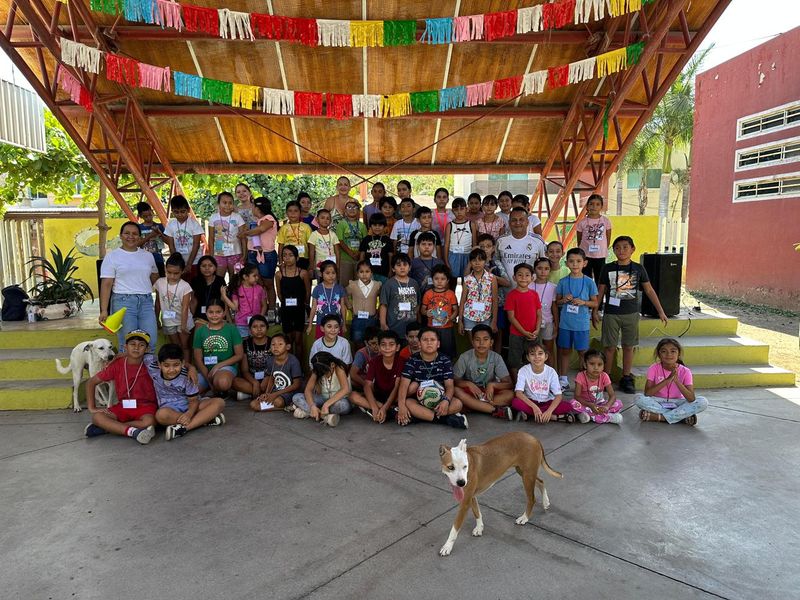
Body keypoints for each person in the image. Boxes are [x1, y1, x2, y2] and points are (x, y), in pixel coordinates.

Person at [594, 235, 669, 394]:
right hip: (611, 313)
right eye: (617, 248)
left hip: (631, 314)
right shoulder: (607, 268)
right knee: (609, 347)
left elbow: (649, 290)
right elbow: (600, 291)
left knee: (629, 347)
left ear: (632, 249)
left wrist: (660, 311)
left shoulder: (638, 268)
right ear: (613, 250)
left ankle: (626, 377)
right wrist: (595, 310)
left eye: (625, 247)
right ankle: (605, 378)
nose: (621, 250)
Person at [83, 330, 156, 444]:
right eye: (132, 344)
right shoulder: (117, 364)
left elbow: (170, 362)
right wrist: (92, 407)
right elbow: (91, 382)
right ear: (125, 347)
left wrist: (190, 368)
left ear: (147, 349)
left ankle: (109, 428)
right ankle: (133, 432)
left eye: (141, 345)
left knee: (149, 422)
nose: (136, 348)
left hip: (146, 407)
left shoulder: (152, 363)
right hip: (123, 406)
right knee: (97, 417)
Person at [99, 221, 159, 348]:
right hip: (123, 302)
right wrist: (104, 310)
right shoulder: (112, 257)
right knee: (128, 344)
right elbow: (106, 284)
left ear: (139, 236)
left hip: (146, 302)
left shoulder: (148, 256)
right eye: (127, 233)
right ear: (121, 236)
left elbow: (155, 277)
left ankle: (148, 363)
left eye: (135, 234)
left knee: (150, 342)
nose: (131, 236)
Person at [395, 328, 467, 429]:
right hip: (419, 400)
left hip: (439, 399)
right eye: (425, 340)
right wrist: (401, 406)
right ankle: (444, 419)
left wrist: (446, 401)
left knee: (458, 404)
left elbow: (449, 386)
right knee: (408, 402)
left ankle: (421, 416)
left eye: (432, 340)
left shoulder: (445, 360)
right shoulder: (412, 360)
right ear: (419, 344)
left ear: (438, 344)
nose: (429, 343)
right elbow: (404, 385)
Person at [152, 343, 226, 441]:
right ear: (159, 365)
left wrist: (189, 414)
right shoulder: (153, 369)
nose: (171, 370)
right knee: (161, 415)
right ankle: (205, 419)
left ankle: (184, 428)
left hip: (191, 406)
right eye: (166, 366)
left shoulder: (188, 376)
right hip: (170, 410)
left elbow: (193, 400)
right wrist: (191, 367)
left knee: (219, 402)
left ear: (182, 363)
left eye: (176, 365)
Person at [636, 338, 708, 425]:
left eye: (673, 351)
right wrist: (667, 380)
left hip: (678, 402)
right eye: (664, 351)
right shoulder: (654, 368)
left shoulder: (685, 371)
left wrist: (677, 381)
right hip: (658, 401)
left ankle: (660, 417)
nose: (668, 354)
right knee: (638, 398)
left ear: (679, 354)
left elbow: (691, 398)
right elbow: (647, 393)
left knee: (703, 402)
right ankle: (681, 417)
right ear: (659, 354)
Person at [556, 248, 598, 392]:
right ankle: (563, 380)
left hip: (582, 324)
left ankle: (584, 380)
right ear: (566, 263)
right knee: (565, 351)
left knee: (583, 353)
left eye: (578, 261)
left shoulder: (589, 282)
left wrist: (584, 302)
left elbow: (595, 303)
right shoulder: (563, 282)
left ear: (585, 263)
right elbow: (557, 302)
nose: (575, 264)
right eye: (571, 261)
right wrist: (563, 300)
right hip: (565, 323)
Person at [453, 325, 514, 419]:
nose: (481, 343)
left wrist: (492, 385)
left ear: (491, 342)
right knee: (456, 391)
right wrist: (468, 384)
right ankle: (494, 410)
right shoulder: (465, 357)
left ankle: (473, 406)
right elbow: (454, 380)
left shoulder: (496, 357)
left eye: (485, 339)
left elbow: (509, 384)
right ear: (472, 342)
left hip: (488, 393)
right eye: (477, 340)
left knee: (510, 395)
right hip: (471, 392)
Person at [512, 340, 575, 423]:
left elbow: (558, 395)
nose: (536, 357)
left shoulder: (551, 372)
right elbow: (518, 393)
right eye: (532, 354)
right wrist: (534, 407)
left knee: (569, 406)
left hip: (547, 402)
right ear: (528, 357)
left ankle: (533, 415)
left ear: (546, 357)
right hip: (531, 401)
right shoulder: (523, 370)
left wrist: (549, 411)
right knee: (515, 402)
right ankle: (554, 417)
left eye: (540, 353)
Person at [349, 330, 405, 423]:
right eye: (383, 345)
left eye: (391, 344)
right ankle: (390, 410)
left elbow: (396, 387)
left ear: (397, 347)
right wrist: (374, 407)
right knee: (353, 396)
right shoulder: (374, 361)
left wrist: (384, 408)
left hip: (396, 396)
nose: (387, 348)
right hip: (379, 396)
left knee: (409, 389)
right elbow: (367, 385)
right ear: (379, 347)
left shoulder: (401, 361)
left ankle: (385, 410)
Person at [192, 299, 243, 396]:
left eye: (218, 312)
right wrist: (208, 378)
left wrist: (218, 366)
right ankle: (211, 388)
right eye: (211, 312)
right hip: (205, 370)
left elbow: (239, 355)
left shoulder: (231, 328)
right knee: (191, 389)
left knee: (223, 382)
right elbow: (197, 358)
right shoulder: (200, 331)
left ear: (224, 313)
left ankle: (219, 388)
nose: (214, 315)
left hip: (226, 367)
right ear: (206, 313)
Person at [291, 351, 351, 427]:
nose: (325, 375)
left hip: (337, 401)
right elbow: (308, 390)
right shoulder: (317, 370)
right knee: (296, 397)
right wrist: (312, 406)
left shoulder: (339, 368)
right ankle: (323, 415)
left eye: (326, 372)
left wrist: (326, 405)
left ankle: (309, 412)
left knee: (342, 405)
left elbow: (345, 389)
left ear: (332, 365)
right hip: (323, 399)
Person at [153, 253, 194, 362]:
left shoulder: (185, 286)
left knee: (185, 346)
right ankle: (178, 367)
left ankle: (186, 367)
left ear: (182, 271)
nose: (172, 276)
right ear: (165, 269)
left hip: (183, 321)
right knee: (175, 346)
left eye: (176, 273)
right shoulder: (159, 283)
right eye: (169, 272)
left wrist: (184, 326)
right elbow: (157, 303)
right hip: (168, 320)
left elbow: (185, 307)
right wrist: (157, 319)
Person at [249, 333, 304, 412]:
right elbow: (271, 378)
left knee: (278, 402)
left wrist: (275, 395)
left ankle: (288, 406)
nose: (276, 347)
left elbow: (296, 384)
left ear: (288, 347)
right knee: (253, 404)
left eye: (280, 344)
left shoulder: (293, 361)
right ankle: (289, 407)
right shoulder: (270, 360)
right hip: (276, 390)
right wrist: (267, 394)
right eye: (273, 344)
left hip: (290, 392)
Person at [505, 263, 542, 377]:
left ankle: (531, 382)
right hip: (516, 335)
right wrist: (524, 332)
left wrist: (537, 330)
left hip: (533, 334)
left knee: (533, 359)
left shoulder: (534, 294)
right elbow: (511, 317)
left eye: (527, 275)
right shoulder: (511, 295)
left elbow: (539, 314)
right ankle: (516, 383)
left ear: (532, 278)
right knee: (514, 361)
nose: (523, 278)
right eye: (520, 275)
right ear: (514, 277)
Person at [244, 197, 279, 318]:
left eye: (253, 206)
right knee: (257, 283)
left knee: (268, 283)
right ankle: (259, 309)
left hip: (266, 254)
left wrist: (245, 233)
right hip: (253, 253)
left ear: (257, 208)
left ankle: (271, 310)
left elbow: (261, 229)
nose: (252, 209)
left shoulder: (269, 219)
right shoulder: (256, 221)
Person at [477, 234, 512, 353]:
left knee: (497, 333)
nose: (485, 249)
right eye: (482, 246)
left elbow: (507, 283)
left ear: (493, 248)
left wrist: (491, 276)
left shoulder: (497, 263)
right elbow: (466, 278)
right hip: (480, 305)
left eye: (488, 246)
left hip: (498, 303)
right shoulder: (475, 263)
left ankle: (496, 358)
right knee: (482, 333)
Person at [275, 245, 310, 360]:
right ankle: (289, 365)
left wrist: (304, 305)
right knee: (288, 340)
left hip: (299, 309)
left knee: (299, 340)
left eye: (290, 255)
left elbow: (307, 293)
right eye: (284, 255)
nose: (287, 258)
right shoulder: (279, 274)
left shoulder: (303, 273)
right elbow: (279, 294)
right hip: (286, 310)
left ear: (297, 258)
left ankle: (298, 366)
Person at [496, 207, 548, 284]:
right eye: (514, 220)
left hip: (531, 289)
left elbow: (544, 264)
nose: (517, 223)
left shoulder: (538, 241)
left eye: (521, 220)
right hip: (506, 289)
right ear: (509, 222)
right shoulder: (500, 241)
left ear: (527, 222)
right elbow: (496, 261)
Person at [570, 349, 622, 424]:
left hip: (600, 404)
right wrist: (590, 405)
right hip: (585, 404)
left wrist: (606, 406)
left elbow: (612, 395)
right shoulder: (580, 376)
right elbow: (577, 396)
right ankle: (608, 417)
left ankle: (589, 415)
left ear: (603, 366)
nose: (596, 367)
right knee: (572, 403)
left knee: (618, 403)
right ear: (585, 365)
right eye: (592, 364)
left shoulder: (604, 376)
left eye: (599, 364)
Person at [421, 264, 459, 358]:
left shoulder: (451, 294)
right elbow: (422, 309)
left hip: (447, 328)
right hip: (431, 328)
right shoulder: (428, 294)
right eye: (436, 278)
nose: (439, 281)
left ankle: (447, 366)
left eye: (443, 279)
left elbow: (456, 310)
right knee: (432, 351)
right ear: (432, 279)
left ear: (447, 280)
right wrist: (426, 313)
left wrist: (449, 319)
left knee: (447, 352)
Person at [163, 195, 204, 281]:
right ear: (172, 211)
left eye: (183, 211)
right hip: (179, 263)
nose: (180, 214)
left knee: (194, 283)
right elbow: (171, 245)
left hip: (194, 261)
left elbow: (196, 246)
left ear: (188, 210)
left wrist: (189, 264)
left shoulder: (194, 224)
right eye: (176, 212)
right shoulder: (171, 224)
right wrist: (176, 263)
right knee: (179, 284)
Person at [379, 253, 420, 338]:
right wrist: (383, 323)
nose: (402, 267)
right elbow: (383, 305)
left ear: (409, 268)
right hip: (394, 327)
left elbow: (418, 304)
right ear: (393, 269)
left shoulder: (414, 283)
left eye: (405, 265)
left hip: (412, 330)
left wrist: (419, 321)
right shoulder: (388, 284)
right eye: (398, 265)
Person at [208, 191, 247, 281]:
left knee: (235, 279)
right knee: (218, 279)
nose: (227, 205)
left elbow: (243, 238)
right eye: (224, 203)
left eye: (230, 203)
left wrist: (244, 255)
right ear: (218, 204)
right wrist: (211, 255)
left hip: (235, 253)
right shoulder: (213, 217)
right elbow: (211, 238)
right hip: (218, 254)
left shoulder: (237, 217)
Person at [458, 248, 498, 335]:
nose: (477, 263)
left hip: (486, 316)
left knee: (486, 340)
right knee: (473, 341)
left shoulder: (491, 278)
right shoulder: (467, 279)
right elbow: (463, 300)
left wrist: (494, 320)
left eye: (480, 260)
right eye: (474, 260)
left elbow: (495, 300)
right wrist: (460, 320)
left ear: (485, 261)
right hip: (469, 316)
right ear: (470, 262)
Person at [221, 263, 266, 339]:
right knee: (243, 343)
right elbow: (235, 308)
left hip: (256, 323)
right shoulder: (237, 289)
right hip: (241, 324)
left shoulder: (259, 289)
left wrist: (260, 318)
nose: (257, 278)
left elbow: (264, 305)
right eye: (254, 276)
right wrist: (224, 296)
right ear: (245, 277)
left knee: (255, 342)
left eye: (257, 275)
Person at [232, 314, 272, 400]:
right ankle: (264, 393)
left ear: (267, 328)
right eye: (255, 327)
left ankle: (251, 394)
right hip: (251, 379)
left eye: (262, 326)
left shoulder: (273, 343)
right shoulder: (245, 343)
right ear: (250, 330)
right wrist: (255, 383)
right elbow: (245, 370)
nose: (259, 329)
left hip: (269, 378)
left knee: (278, 382)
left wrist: (268, 377)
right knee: (235, 382)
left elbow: (277, 368)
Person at [575, 194, 612, 284]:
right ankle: (587, 293)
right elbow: (579, 239)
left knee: (600, 279)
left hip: (600, 255)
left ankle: (598, 293)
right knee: (586, 278)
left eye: (597, 204)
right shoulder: (582, 222)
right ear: (587, 206)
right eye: (591, 204)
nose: (594, 206)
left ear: (601, 207)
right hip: (586, 255)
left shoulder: (606, 221)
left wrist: (603, 249)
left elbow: (608, 238)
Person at [345, 260, 381, 347]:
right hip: (357, 318)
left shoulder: (377, 285)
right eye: (361, 272)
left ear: (371, 273)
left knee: (372, 341)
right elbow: (344, 294)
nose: (364, 274)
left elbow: (382, 298)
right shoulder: (353, 285)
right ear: (357, 273)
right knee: (357, 340)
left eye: (367, 271)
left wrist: (378, 310)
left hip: (372, 319)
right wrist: (350, 307)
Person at [531, 257, 558, 370]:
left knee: (548, 349)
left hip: (548, 322)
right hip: (532, 323)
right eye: (540, 268)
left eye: (546, 269)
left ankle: (552, 374)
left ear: (550, 270)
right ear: (534, 269)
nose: (543, 271)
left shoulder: (553, 287)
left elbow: (554, 307)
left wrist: (556, 323)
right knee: (532, 350)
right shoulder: (529, 286)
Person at [308, 261, 347, 338]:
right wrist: (310, 325)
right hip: (321, 324)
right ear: (321, 274)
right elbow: (313, 307)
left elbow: (343, 307)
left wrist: (344, 324)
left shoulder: (340, 288)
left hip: (336, 325)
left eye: (333, 273)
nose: (331, 276)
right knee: (322, 343)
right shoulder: (317, 289)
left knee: (336, 344)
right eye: (327, 273)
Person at [444, 197, 476, 283]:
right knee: (453, 280)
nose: (459, 212)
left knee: (467, 280)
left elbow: (474, 244)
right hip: (453, 256)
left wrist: (473, 260)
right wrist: (446, 261)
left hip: (467, 256)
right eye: (456, 209)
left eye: (461, 209)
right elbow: (446, 244)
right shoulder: (450, 225)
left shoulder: (471, 224)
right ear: (452, 211)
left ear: (466, 209)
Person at [336, 199, 367, 288]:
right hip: (345, 259)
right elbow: (340, 241)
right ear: (345, 211)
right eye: (349, 207)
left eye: (355, 207)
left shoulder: (362, 226)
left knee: (359, 285)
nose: (352, 209)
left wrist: (358, 253)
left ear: (358, 211)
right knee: (345, 284)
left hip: (359, 259)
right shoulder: (341, 224)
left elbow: (364, 242)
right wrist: (350, 253)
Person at [190, 256, 227, 327]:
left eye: (210, 266)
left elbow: (224, 300)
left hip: (217, 314)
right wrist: (194, 317)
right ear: (199, 267)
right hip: (200, 316)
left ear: (215, 267)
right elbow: (193, 301)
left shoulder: (220, 280)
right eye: (203, 266)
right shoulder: (195, 281)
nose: (207, 268)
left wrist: (224, 315)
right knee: (199, 332)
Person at [276, 200, 313, 271]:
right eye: (290, 211)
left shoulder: (306, 227)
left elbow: (311, 246)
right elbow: (281, 246)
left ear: (300, 213)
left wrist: (311, 263)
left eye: (296, 211)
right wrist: (281, 262)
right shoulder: (283, 228)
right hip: (288, 259)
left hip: (303, 259)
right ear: (286, 213)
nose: (293, 213)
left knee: (303, 276)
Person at [359, 213, 393, 283]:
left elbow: (390, 256)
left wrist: (391, 270)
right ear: (370, 226)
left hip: (384, 272)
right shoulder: (366, 239)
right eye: (374, 225)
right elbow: (362, 256)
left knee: (383, 289)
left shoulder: (387, 240)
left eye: (380, 225)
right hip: (368, 273)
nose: (377, 227)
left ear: (384, 226)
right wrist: (360, 270)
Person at [307, 208, 341, 279]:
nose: (325, 220)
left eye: (328, 218)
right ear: (317, 220)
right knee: (321, 283)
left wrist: (337, 266)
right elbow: (311, 252)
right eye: (322, 218)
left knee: (332, 283)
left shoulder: (333, 234)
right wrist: (311, 267)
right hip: (319, 267)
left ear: (330, 221)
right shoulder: (314, 234)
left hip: (332, 267)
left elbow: (337, 252)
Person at [136, 201, 165, 277]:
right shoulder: (138, 228)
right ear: (140, 216)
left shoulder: (160, 226)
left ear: (152, 212)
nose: (149, 217)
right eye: (145, 216)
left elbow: (168, 241)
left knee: (160, 281)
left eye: (150, 215)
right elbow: (137, 244)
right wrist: (150, 236)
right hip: (143, 261)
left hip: (158, 259)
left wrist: (159, 233)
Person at [410, 232, 444, 296]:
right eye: (423, 244)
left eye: (430, 244)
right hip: (417, 296)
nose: (426, 247)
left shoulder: (439, 263)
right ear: (417, 246)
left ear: (434, 246)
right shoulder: (412, 263)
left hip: (436, 296)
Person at [350, 326, 379, 391]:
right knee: (351, 382)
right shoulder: (361, 353)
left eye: (379, 343)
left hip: (376, 380)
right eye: (373, 343)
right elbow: (352, 373)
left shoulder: (384, 351)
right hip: (364, 380)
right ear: (366, 343)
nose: (377, 346)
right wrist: (365, 385)